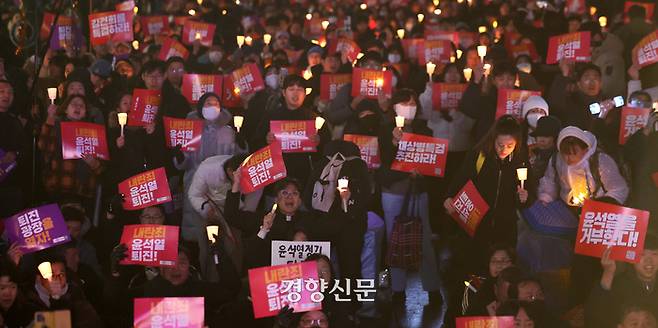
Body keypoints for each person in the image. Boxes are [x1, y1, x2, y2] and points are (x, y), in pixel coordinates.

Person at [378, 88, 441, 307]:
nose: (409, 107)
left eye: (413, 104)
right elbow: (380, 163)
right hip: (393, 192)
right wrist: (395, 145)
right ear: (394, 106)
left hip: (417, 192)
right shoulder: (384, 130)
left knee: (424, 240)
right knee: (395, 240)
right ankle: (398, 289)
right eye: (404, 103)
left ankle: (433, 289)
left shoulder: (425, 130)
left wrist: (422, 171)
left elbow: (433, 162)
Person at [445, 116, 531, 272]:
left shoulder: (521, 160)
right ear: (493, 140)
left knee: (503, 269)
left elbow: (529, 191)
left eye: (509, 145)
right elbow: (460, 179)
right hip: (477, 224)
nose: (504, 150)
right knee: (476, 268)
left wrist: (525, 197)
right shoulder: (479, 156)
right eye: (500, 145)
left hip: (505, 226)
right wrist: (449, 197)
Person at [37, 95, 105, 211]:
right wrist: (50, 119)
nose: (78, 107)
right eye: (74, 104)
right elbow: (43, 147)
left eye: (81, 106)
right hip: (59, 187)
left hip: (84, 191)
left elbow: (102, 169)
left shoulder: (94, 132)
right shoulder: (56, 126)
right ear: (65, 109)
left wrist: (94, 164)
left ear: (86, 112)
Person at [537, 126, 629, 208]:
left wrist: (600, 205)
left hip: (596, 207)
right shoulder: (557, 160)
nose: (568, 158)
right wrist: (546, 197)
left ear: (585, 149)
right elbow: (549, 180)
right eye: (565, 153)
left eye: (574, 153)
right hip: (569, 208)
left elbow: (617, 189)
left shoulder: (599, 160)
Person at [586, 235, 658, 328]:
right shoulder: (618, 285)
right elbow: (595, 318)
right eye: (642, 254)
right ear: (631, 258)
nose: (649, 261)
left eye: (655, 254)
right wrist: (608, 272)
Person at [25, 256, 102, 327]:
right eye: (52, 275)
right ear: (39, 278)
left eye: (61, 274)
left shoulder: (76, 297)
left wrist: (57, 298)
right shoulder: (29, 299)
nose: (57, 279)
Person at [0, 79, 25, 217]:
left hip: (11, 184)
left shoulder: (15, 122)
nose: (6, 96)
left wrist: (15, 154)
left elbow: (24, 149)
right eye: (2, 92)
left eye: (10, 93)